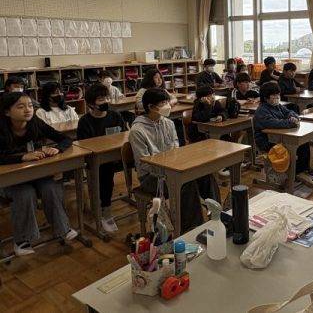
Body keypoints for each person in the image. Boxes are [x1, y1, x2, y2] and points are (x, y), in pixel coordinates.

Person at [0, 92, 78, 256]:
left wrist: (57, 149)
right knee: (25, 193)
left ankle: (62, 229)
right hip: (10, 180)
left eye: (30, 105)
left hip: (35, 174)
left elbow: (64, 139)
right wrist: (22, 157)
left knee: (50, 187)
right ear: (7, 112)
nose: (28, 110)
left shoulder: (35, 122)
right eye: (20, 107)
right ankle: (22, 240)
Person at [129, 88, 213, 233]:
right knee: (186, 183)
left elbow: (176, 149)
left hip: (173, 170)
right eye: (163, 103)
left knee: (204, 175)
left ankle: (216, 217)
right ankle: (190, 230)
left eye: (167, 101)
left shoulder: (168, 123)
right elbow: (144, 163)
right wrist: (168, 168)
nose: (167, 106)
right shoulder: (137, 130)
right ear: (151, 107)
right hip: (151, 177)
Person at [76, 83, 126, 233]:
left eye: (106, 98)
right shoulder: (85, 121)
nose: (105, 101)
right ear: (91, 104)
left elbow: (124, 135)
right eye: (100, 99)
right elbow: (84, 146)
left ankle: (105, 206)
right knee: (105, 173)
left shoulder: (115, 115)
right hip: (97, 160)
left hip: (117, 155)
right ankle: (105, 210)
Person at [253, 82, 313, 188]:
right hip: (267, 142)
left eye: (278, 94)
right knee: (295, 145)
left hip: (280, 138)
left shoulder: (277, 106)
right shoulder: (262, 111)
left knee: (303, 142)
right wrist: (291, 123)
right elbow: (275, 124)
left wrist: (293, 117)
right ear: (265, 97)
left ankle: (299, 172)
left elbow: (289, 112)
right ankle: (295, 174)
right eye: (274, 95)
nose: (277, 97)